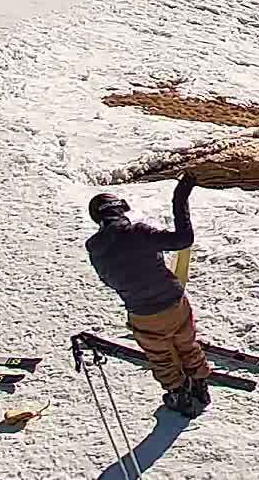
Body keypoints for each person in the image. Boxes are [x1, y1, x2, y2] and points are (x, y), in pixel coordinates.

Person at [86, 176, 211, 416]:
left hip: (141, 311)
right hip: (174, 301)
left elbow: (108, 280)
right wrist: (180, 197)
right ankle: (199, 384)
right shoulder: (139, 232)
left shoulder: (96, 250)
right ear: (120, 211)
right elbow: (184, 240)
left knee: (160, 355)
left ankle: (178, 394)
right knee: (186, 343)